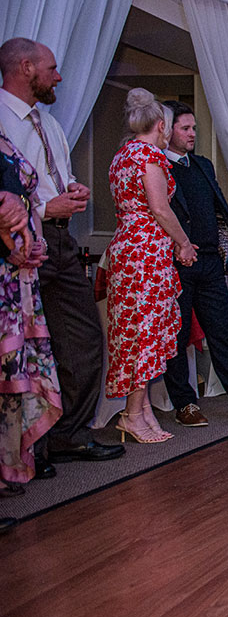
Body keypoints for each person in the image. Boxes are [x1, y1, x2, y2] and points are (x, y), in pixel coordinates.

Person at [0, 38, 123, 471]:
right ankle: (32, 448)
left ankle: (70, 433)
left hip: (61, 242)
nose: (59, 76)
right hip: (17, 246)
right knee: (26, 349)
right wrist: (42, 208)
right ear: (26, 67)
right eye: (51, 68)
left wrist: (73, 190)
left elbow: (58, 178)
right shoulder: (0, 119)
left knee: (84, 337)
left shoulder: (49, 123)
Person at [161, 101, 228, 426]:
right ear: (167, 131)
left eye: (194, 127)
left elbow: (219, 210)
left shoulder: (202, 166)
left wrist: (227, 251)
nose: (192, 133)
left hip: (210, 261)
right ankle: (185, 404)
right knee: (178, 336)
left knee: (222, 332)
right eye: (185, 128)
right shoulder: (158, 168)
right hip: (176, 263)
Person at [104, 89, 196, 444]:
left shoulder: (121, 156)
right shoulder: (149, 157)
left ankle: (139, 412)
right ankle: (131, 415)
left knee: (134, 331)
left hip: (126, 248)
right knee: (146, 332)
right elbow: (159, 208)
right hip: (146, 253)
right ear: (161, 125)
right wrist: (183, 242)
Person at [0, 135, 58, 491]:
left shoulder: (5, 144)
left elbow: (23, 200)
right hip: (6, 269)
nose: (57, 75)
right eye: (53, 71)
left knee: (11, 374)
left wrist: (34, 242)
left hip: (17, 277)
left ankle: (8, 466)